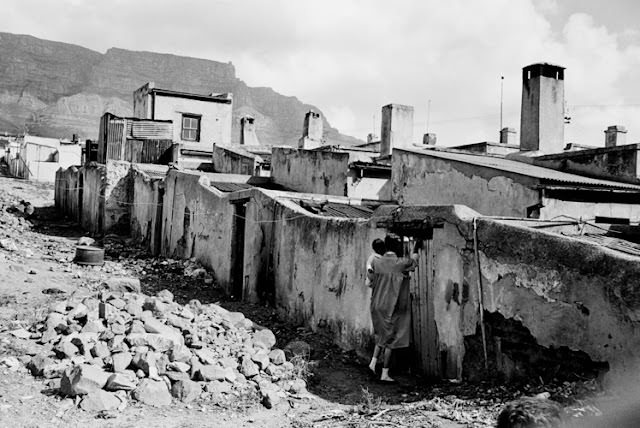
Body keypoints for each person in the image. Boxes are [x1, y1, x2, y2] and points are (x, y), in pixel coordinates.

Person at [367, 233, 421, 382]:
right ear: (397, 247)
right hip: (390, 307)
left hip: (376, 305)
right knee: (391, 340)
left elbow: (370, 279)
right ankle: (384, 373)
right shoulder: (399, 263)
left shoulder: (377, 261)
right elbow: (413, 262)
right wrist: (416, 247)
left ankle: (372, 364)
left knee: (381, 336)